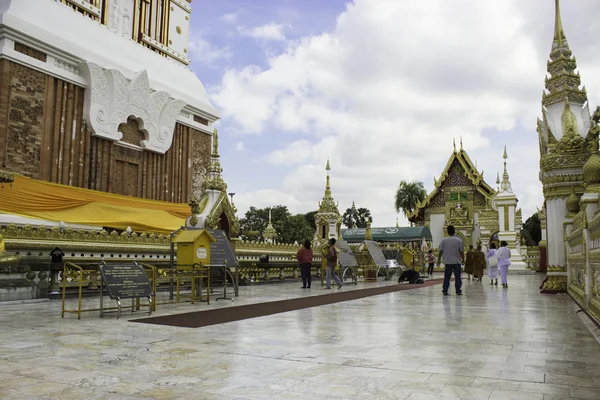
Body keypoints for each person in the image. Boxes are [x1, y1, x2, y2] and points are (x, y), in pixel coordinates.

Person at [437, 225, 464, 296]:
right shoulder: (458, 240)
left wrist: (438, 259)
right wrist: (463, 259)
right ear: (454, 231)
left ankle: (445, 290)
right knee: (457, 277)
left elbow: (440, 251)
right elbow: (461, 251)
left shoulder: (443, 241)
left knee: (447, 277)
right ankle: (458, 290)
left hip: (448, 262)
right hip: (456, 262)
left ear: (447, 232)